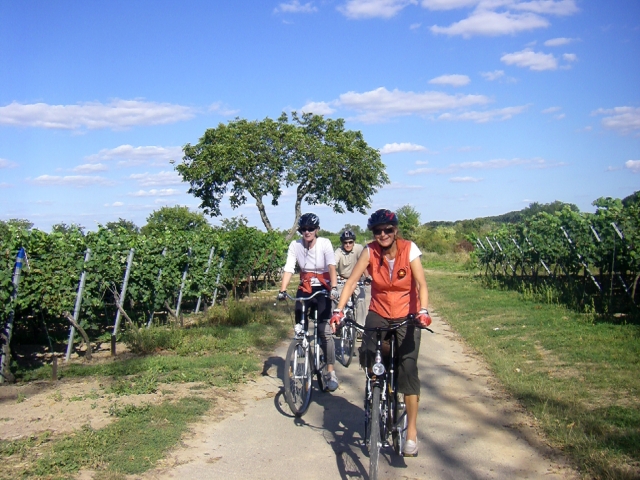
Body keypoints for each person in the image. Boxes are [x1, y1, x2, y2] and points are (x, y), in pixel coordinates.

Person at [330, 209, 432, 457]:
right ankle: (377, 389)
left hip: (407, 314)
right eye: (378, 231)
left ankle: (411, 434)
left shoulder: (410, 249)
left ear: (395, 230)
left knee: (408, 369)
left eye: (388, 230)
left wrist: (423, 310)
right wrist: (339, 310)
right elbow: (353, 281)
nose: (383, 235)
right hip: (379, 311)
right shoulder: (369, 251)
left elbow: (421, 284)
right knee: (368, 352)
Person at [278, 213, 340, 391]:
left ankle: (330, 371)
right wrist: (282, 290)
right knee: (299, 326)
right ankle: (301, 352)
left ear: (317, 230)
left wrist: (334, 287)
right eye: (303, 229)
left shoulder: (325, 243)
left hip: (323, 287)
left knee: (323, 330)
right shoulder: (295, 245)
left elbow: (331, 266)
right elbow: (289, 267)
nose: (307, 232)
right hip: (305, 287)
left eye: (310, 229)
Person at [333, 229, 368, 326]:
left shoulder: (359, 249)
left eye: (350, 242)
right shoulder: (338, 252)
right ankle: (339, 323)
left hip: (357, 279)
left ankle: (360, 327)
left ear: (354, 242)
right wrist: (334, 279)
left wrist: (367, 277)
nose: (348, 245)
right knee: (338, 299)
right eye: (345, 242)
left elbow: (364, 263)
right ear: (342, 243)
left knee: (361, 300)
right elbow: (333, 266)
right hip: (342, 279)